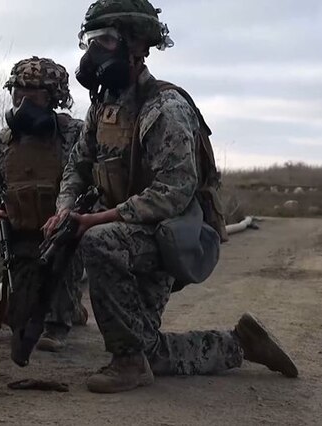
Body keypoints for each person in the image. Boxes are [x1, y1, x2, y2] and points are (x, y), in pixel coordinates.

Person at [45, 0, 298, 393]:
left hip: (172, 236)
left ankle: (128, 364)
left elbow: (174, 192)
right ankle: (239, 344)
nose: (94, 53)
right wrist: (64, 210)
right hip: (131, 232)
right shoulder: (103, 109)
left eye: (107, 41)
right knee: (152, 350)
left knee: (96, 241)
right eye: (91, 41)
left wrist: (96, 219)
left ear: (137, 48)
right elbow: (77, 167)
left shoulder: (165, 109)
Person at [0, 56, 87, 352]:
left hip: (62, 238)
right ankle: (61, 307)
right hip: (20, 237)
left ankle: (62, 318)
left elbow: (92, 180)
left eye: (30, 98)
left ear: (52, 99)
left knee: (57, 279)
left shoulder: (75, 135)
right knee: (19, 320)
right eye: (16, 96)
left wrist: (72, 215)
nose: (21, 104)